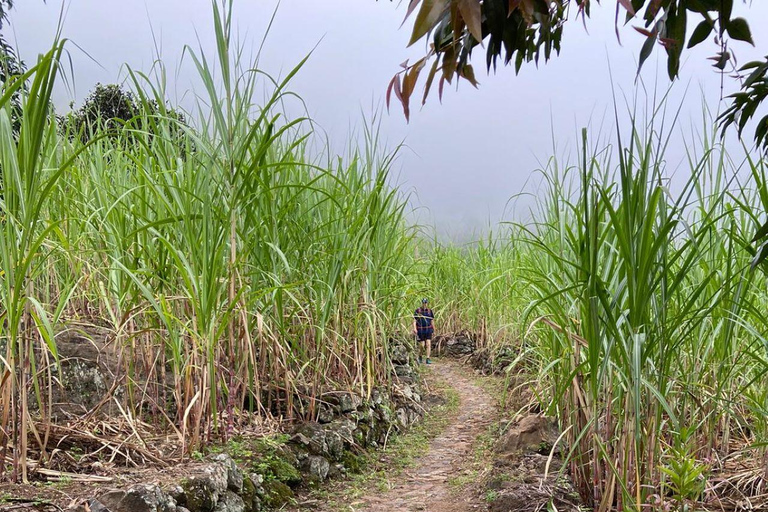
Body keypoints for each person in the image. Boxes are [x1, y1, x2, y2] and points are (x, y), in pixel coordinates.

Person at [413, 298, 435, 364]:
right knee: (422, 345)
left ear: (427, 303)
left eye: (425, 303)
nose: (424, 304)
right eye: (423, 302)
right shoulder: (418, 310)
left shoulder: (429, 311)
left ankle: (428, 358)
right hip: (420, 330)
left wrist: (434, 329)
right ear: (422, 303)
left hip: (428, 329)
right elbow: (414, 320)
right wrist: (414, 328)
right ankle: (420, 356)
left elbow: (432, 320)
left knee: (428, 344)